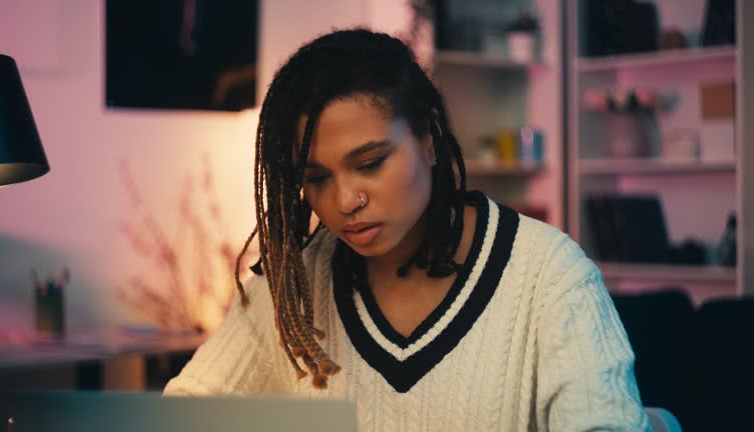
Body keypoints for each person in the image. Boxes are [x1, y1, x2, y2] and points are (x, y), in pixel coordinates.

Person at [164, 28, 649, 431]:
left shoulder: (549, 275)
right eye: (316, 178)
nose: (345, 201)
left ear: (429, 138)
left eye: (371, 163)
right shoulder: (294, 285)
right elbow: (183, 412)